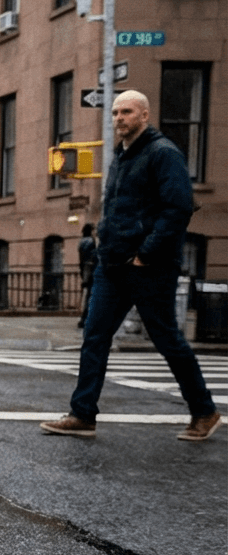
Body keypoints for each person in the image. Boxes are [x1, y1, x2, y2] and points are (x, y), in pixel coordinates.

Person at [41, 90, 219, 442]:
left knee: (166, 339)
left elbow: (179, 209)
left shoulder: (163, 153)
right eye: (115, 113)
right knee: (94, 336)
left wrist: (146, 253)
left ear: (144, 116)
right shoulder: (121, 156)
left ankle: (205, 411)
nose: (119, 118)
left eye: (127, 112)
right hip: (113, 265)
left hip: (149, 266)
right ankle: (82, 415)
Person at [76, 223, 97, 329]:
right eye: (94, 229)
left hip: (84, 271)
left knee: (88, 296)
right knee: (90, 297)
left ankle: (84, 319)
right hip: (90, 272)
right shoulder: (91, 241)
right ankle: (85, 320)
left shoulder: (81, 242)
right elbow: (90, 260)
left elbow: (82, 260)